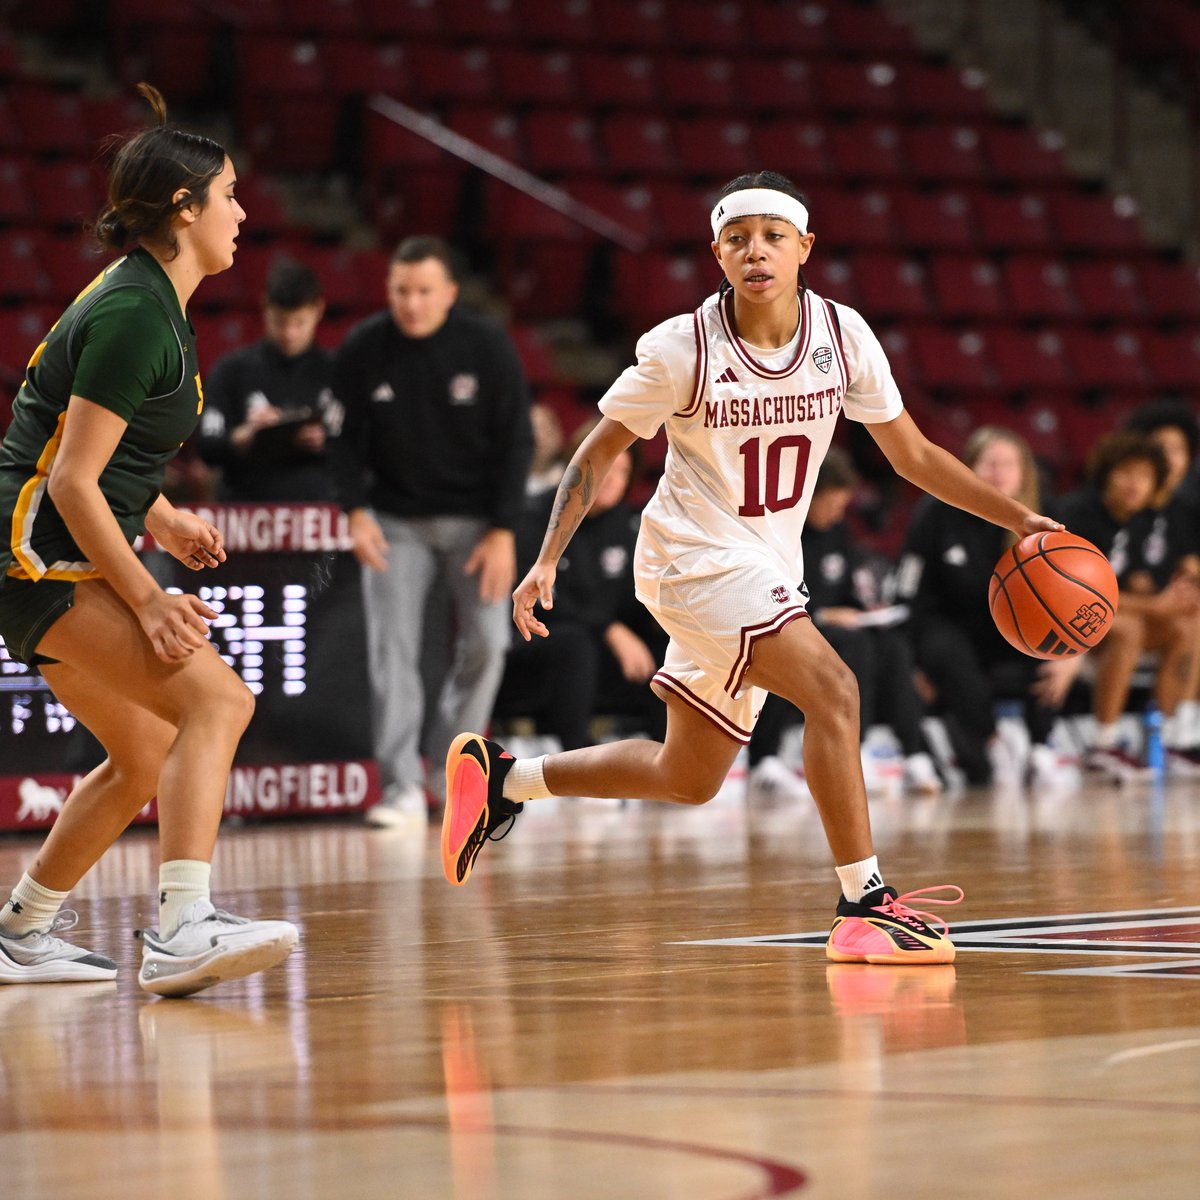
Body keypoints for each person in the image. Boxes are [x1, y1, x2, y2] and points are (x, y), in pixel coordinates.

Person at [439, 170, 1064, 965]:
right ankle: (864, 904)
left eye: (773, 235)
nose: (755, 251)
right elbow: (593, 455)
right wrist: (547, 560)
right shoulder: (681, 348)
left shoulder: (842, 337)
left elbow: (913, 456)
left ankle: (503, 780)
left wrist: (1016, 519)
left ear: (805, 248)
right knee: (835, 688)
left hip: (765, 562)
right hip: (691, 558)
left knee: (688, 775)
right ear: (717, 254)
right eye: (737, 238)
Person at [0, 84, 298, 994]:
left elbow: (101, 452)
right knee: (218, 703)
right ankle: (181, 927)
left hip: (52, 548)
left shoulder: (155, 302)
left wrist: (162, 515)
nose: (243, 212)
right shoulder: (135, 312)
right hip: (35, 554)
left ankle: (20, 932)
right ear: (185, 206)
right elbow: (70, 479)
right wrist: (148, 596)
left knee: (142, 757)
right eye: (231, 194)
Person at [329, 235, 533, 826]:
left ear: (447, 293)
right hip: (394, 520)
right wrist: (355, 512)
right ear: (388, 291)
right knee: (392, 652)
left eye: (423, 292)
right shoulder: (364, 348)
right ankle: (400, 787)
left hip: (477, 522)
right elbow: (341, 442)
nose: (411, 304)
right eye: (400, 291)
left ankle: (457, 777)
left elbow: (516, 441)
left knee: (489, 644)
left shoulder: (486, 346)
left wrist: (504, 530)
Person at [748, 445, 943, 797]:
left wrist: (869, 612)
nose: (838, 513)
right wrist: (822, 614)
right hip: (786, 627)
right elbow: (768, 596)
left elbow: (847, 591)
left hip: (832, 629)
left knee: (892, 645)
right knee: (857, 645)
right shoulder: (780, 536)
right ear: (809, 497)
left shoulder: (838, 533)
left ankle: (915, 754)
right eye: (832, 504)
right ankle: (850, 750)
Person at [896, 427, 1071, 787]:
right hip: (950, 622)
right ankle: (993, 744)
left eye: (1009, 464)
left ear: (1025, 472)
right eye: (989, 463)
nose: (999, 473)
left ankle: (1041, 747)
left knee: (1048, 637)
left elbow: (1073, 595)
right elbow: (908, 592)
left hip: (1009, 627)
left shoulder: (1044, 516)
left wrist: (1073, 654)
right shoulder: (935, 512)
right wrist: (911, 664)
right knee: (947, 650)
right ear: (968, 470)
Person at [492, 422, 667, 753]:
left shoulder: (628, 526)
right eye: (606, 466)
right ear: (579, 466)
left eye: (622, 470)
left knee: (667, 646)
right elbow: (543, 600)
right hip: (533, 649)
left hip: (600, 656)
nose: (612, 478)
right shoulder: (535, 516)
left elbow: (634, 599)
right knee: (575, 643)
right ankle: (579, 757)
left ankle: (670, 758)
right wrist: (610, 629)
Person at [1044, 431, 1200, 778]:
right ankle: (1103, 745)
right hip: (1062, 622)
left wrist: (1166, 597)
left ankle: (1174, 739)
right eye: (1127, 473)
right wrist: (1154, 605)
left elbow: (1135, 584)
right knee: (1129, 627)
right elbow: (1081, 594)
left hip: (1107, 621)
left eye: (1145, 477)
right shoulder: (1076, 514)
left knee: (1188, 622)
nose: (1135, 484)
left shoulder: (1140, 520)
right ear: (1106, 474)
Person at [195, 256, 339, 501]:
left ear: (318, 310)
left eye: (299, 323)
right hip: (246, 515)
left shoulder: (337, 372)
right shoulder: (232, 370)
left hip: (319, 518)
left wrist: (331, 440)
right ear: (265, 306)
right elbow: (207, 445)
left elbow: (369, 447)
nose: (289, 333)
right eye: (280, 321)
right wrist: (246, 436)